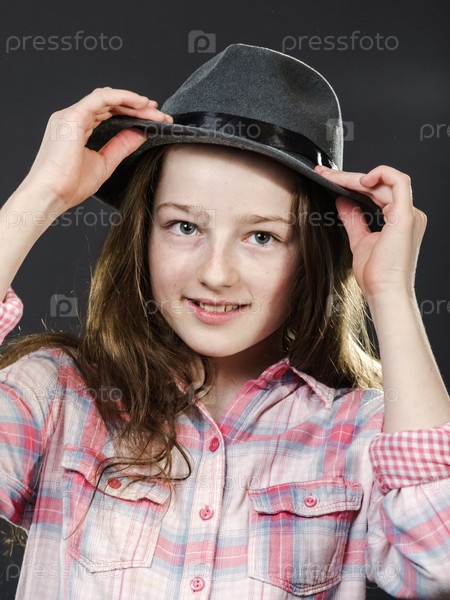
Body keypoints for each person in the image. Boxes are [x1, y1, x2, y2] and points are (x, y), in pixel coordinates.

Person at [0, 43, 449, 600]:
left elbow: (439, 564)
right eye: (185, 226)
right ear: (144, 234)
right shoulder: (58, 396)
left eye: (262, 236)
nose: (215, 273)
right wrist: (40, 196)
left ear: (310, 255)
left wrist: (392, 292)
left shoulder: (360, 433)